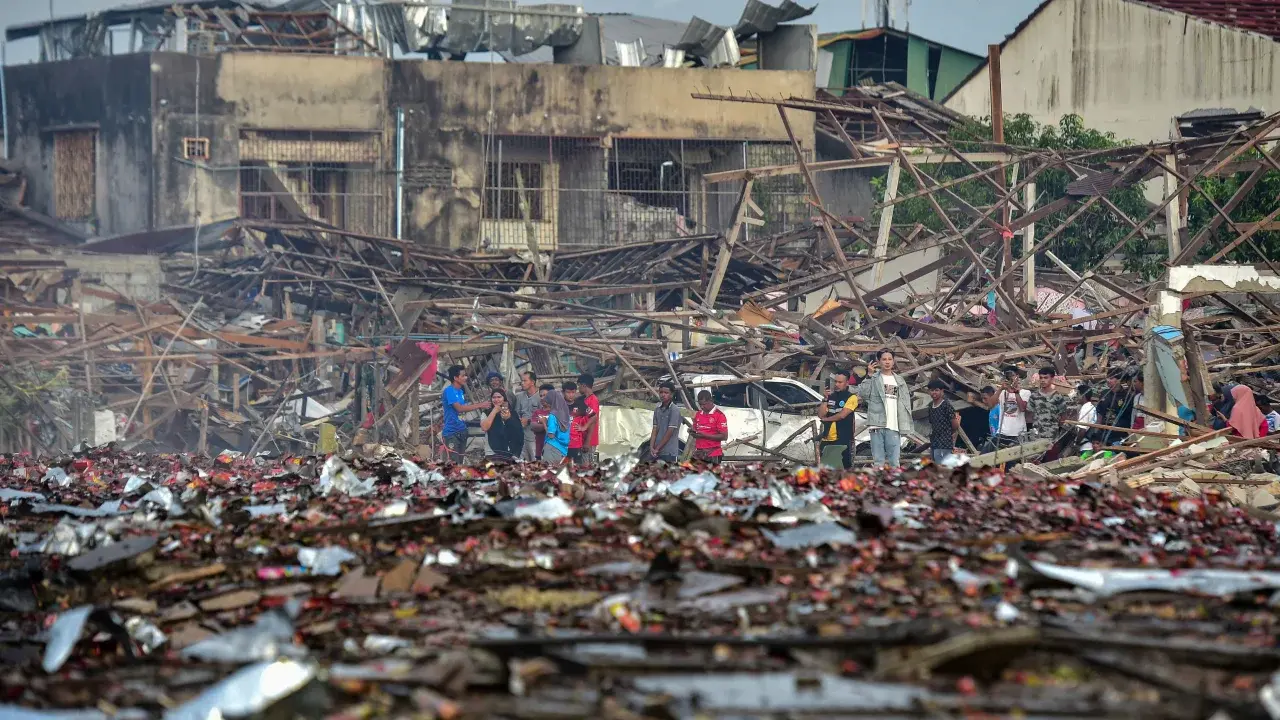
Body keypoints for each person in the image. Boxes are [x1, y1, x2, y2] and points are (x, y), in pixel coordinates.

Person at [853, 349, 915, 468]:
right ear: (878, 361)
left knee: (894, 462)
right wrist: (869, 375)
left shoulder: (900, 381)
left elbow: (905, 404)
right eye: (884, 359)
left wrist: (905, 423)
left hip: (894, 426)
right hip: (877, 425)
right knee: (878, 462)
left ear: (893, 361)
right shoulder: (874, 378)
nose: (887, 362)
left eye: (890, 359)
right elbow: (864, 394)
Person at [441, 365, 491, 463]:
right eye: (463, 376)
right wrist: (480, 405)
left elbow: (462, 412)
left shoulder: (460, 391)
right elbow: (459, 408)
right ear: (455, 378)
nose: (466, 378)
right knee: (453, 463)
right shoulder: (449, 391)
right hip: (452, 433)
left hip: (462, 431)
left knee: (460, 462)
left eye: (465, 375)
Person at [817, 370, 859, 469]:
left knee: (843, 469)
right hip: (827, 438)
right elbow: (821, 415)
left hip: (842, 439)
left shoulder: (852, 398)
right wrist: (825, 399)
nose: (837, 384)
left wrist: (827, 420)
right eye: (835, 382)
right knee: (825, 469)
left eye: (840, 382)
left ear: (847, 383)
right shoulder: (831, 397)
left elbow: (842, 415)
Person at [480, 388, 525, 460]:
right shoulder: (486, 413)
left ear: (504, 398)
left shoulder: (512, 413)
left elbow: (519, 432)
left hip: (511, 452)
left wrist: (509, 419)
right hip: (492, 451)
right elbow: (484, 427)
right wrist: (494, 411)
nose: (496, 400)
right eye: (494, 397)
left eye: (499, 397)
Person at [994, 367, 1031, 448]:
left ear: (1017, 377)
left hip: (1019, 433)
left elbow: (1022, 409)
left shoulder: (1025, 392)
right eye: (1008, 377)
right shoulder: (1002, 392)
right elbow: (990, 405)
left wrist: (1016, 392)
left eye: (1012, 376)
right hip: (1002, 432)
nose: (1011, 378)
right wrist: (1001, 388)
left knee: (1019, 459)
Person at [1095, 368, 1135, 444]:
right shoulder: (1104, 394)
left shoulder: (1128, 396)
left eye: (1111, 378)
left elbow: (1131, 418)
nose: (1108, 380)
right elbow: (1100, 416)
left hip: (1119, 437)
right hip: (1103, 434)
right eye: (1107, 378)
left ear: (1119, 380)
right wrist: (1096, 434)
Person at [691, 390, 728, 465]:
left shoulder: (719, 415)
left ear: (711, 401)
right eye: (700, 404)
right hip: (699, 452)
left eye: (704, 404)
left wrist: (704, 435)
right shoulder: (698, 414)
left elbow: (724, 437)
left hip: (713, 454)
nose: (702, 407)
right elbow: (695, 429)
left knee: (710, 476)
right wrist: (692, 432)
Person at [926, 379, 958, 463]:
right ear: (929, 392)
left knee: (942, 468)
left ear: (942, 391)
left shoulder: (946, 406)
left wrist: (947, 433)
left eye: (936, 390)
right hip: (934, 442)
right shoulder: (930, 406)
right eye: (932, 390)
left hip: (944, 443)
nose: (934, 393)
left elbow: (955, 425)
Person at [649, 381, 682, 463]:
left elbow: (670, 432)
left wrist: (657, 448)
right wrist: (651, 447)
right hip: (656, 452)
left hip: (669, 452)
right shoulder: (657, 409)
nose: (663, 395)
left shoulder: (674, 410)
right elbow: (654, 429)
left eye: (666, 392)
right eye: (661, 392)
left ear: (672, 394)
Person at [513, 371, 540, 461]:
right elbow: (516, 412)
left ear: (532, 382)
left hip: (535, 435)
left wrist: (528, 420)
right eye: (522, 381)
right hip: (522, 434)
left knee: (535, 460)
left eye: (525, 381)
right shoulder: (520, 397)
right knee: (521, 461)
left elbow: (544, 416)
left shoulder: (541, 397)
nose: (522, 383)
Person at [541, 390, 571, 465]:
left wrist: (544, 422)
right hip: (563, 451)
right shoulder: (565, 414)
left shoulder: (552, 415)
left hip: (552, 448)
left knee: (549, 473)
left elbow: (551, 435)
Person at [577, 373, 600, 465]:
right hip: (582, 439)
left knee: (587, 466)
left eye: (579, 386)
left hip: (589, 440)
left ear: (583, 385)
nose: (578, 389)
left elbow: (593, 420)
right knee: (583, 464)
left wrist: (587, 441)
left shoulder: (593, 400)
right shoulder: (584, 399)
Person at [531, 383, 554, 459]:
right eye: (541, 396)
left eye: (545, 395)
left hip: (555, 450)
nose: (542, 398)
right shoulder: (537, 412)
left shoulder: (558, 411)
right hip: (540, 450)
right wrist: (550, 424)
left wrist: (543, 422)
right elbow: (534, 426)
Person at [567, 399, 591, 464]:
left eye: (573, 392)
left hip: (575, 445)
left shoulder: (580, 407)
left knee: (575, 467)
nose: (571, 395)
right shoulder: (560, 407)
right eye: (568, 392)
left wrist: (584, 427)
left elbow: (594, 416)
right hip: (562, 445)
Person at [1077, 385, 1098, 452]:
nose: (1076, 397)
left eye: (1078, 394)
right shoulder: (1091, 406)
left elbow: (1082, 430)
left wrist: (1076, 443)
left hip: (1085, 446)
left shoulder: (1085, 409)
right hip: (1090, 442)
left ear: (1082, 395)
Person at [981, 385, 1000, 451]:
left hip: (999, 440)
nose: (983, 401)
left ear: (992, 396)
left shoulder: (999, 408)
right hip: (994, 440)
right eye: (982, 399)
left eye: (985, 398)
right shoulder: (991, 410)